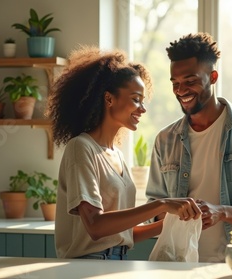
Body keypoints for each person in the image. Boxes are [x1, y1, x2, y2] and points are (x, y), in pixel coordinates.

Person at [47, 46, 201, 260]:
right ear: (109, 99)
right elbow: (96, 226)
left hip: (117, 259)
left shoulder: (117, 155)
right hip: (88, 263)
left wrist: (173, 221)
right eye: (136, 99)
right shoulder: (81, 148)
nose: (143, 108)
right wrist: (163, 204)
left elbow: (121, 234)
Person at [146, 33, 232, 263]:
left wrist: (222, 212)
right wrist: (172, 209)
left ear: (213, 77)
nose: (181, 91)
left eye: (190, 81)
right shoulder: (165, 140)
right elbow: (152, 210)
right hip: (178, 264)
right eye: (175, 83)